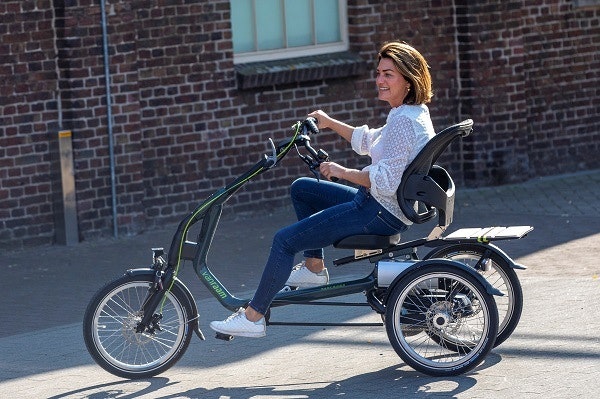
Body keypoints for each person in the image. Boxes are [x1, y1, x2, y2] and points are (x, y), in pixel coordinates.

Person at [210, 41, 435, 338]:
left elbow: (385, 180)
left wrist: (343, 172)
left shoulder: (404, 122)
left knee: (284, 241)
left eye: (388, 74)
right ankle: (314, 268)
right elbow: (368, 141)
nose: (380, 80)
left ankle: (253, 317)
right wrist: (328, 122)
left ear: (409, 79)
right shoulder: (408, 113)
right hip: (381, 203)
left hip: (379, 210)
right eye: (378, 73)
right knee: (304, 189)